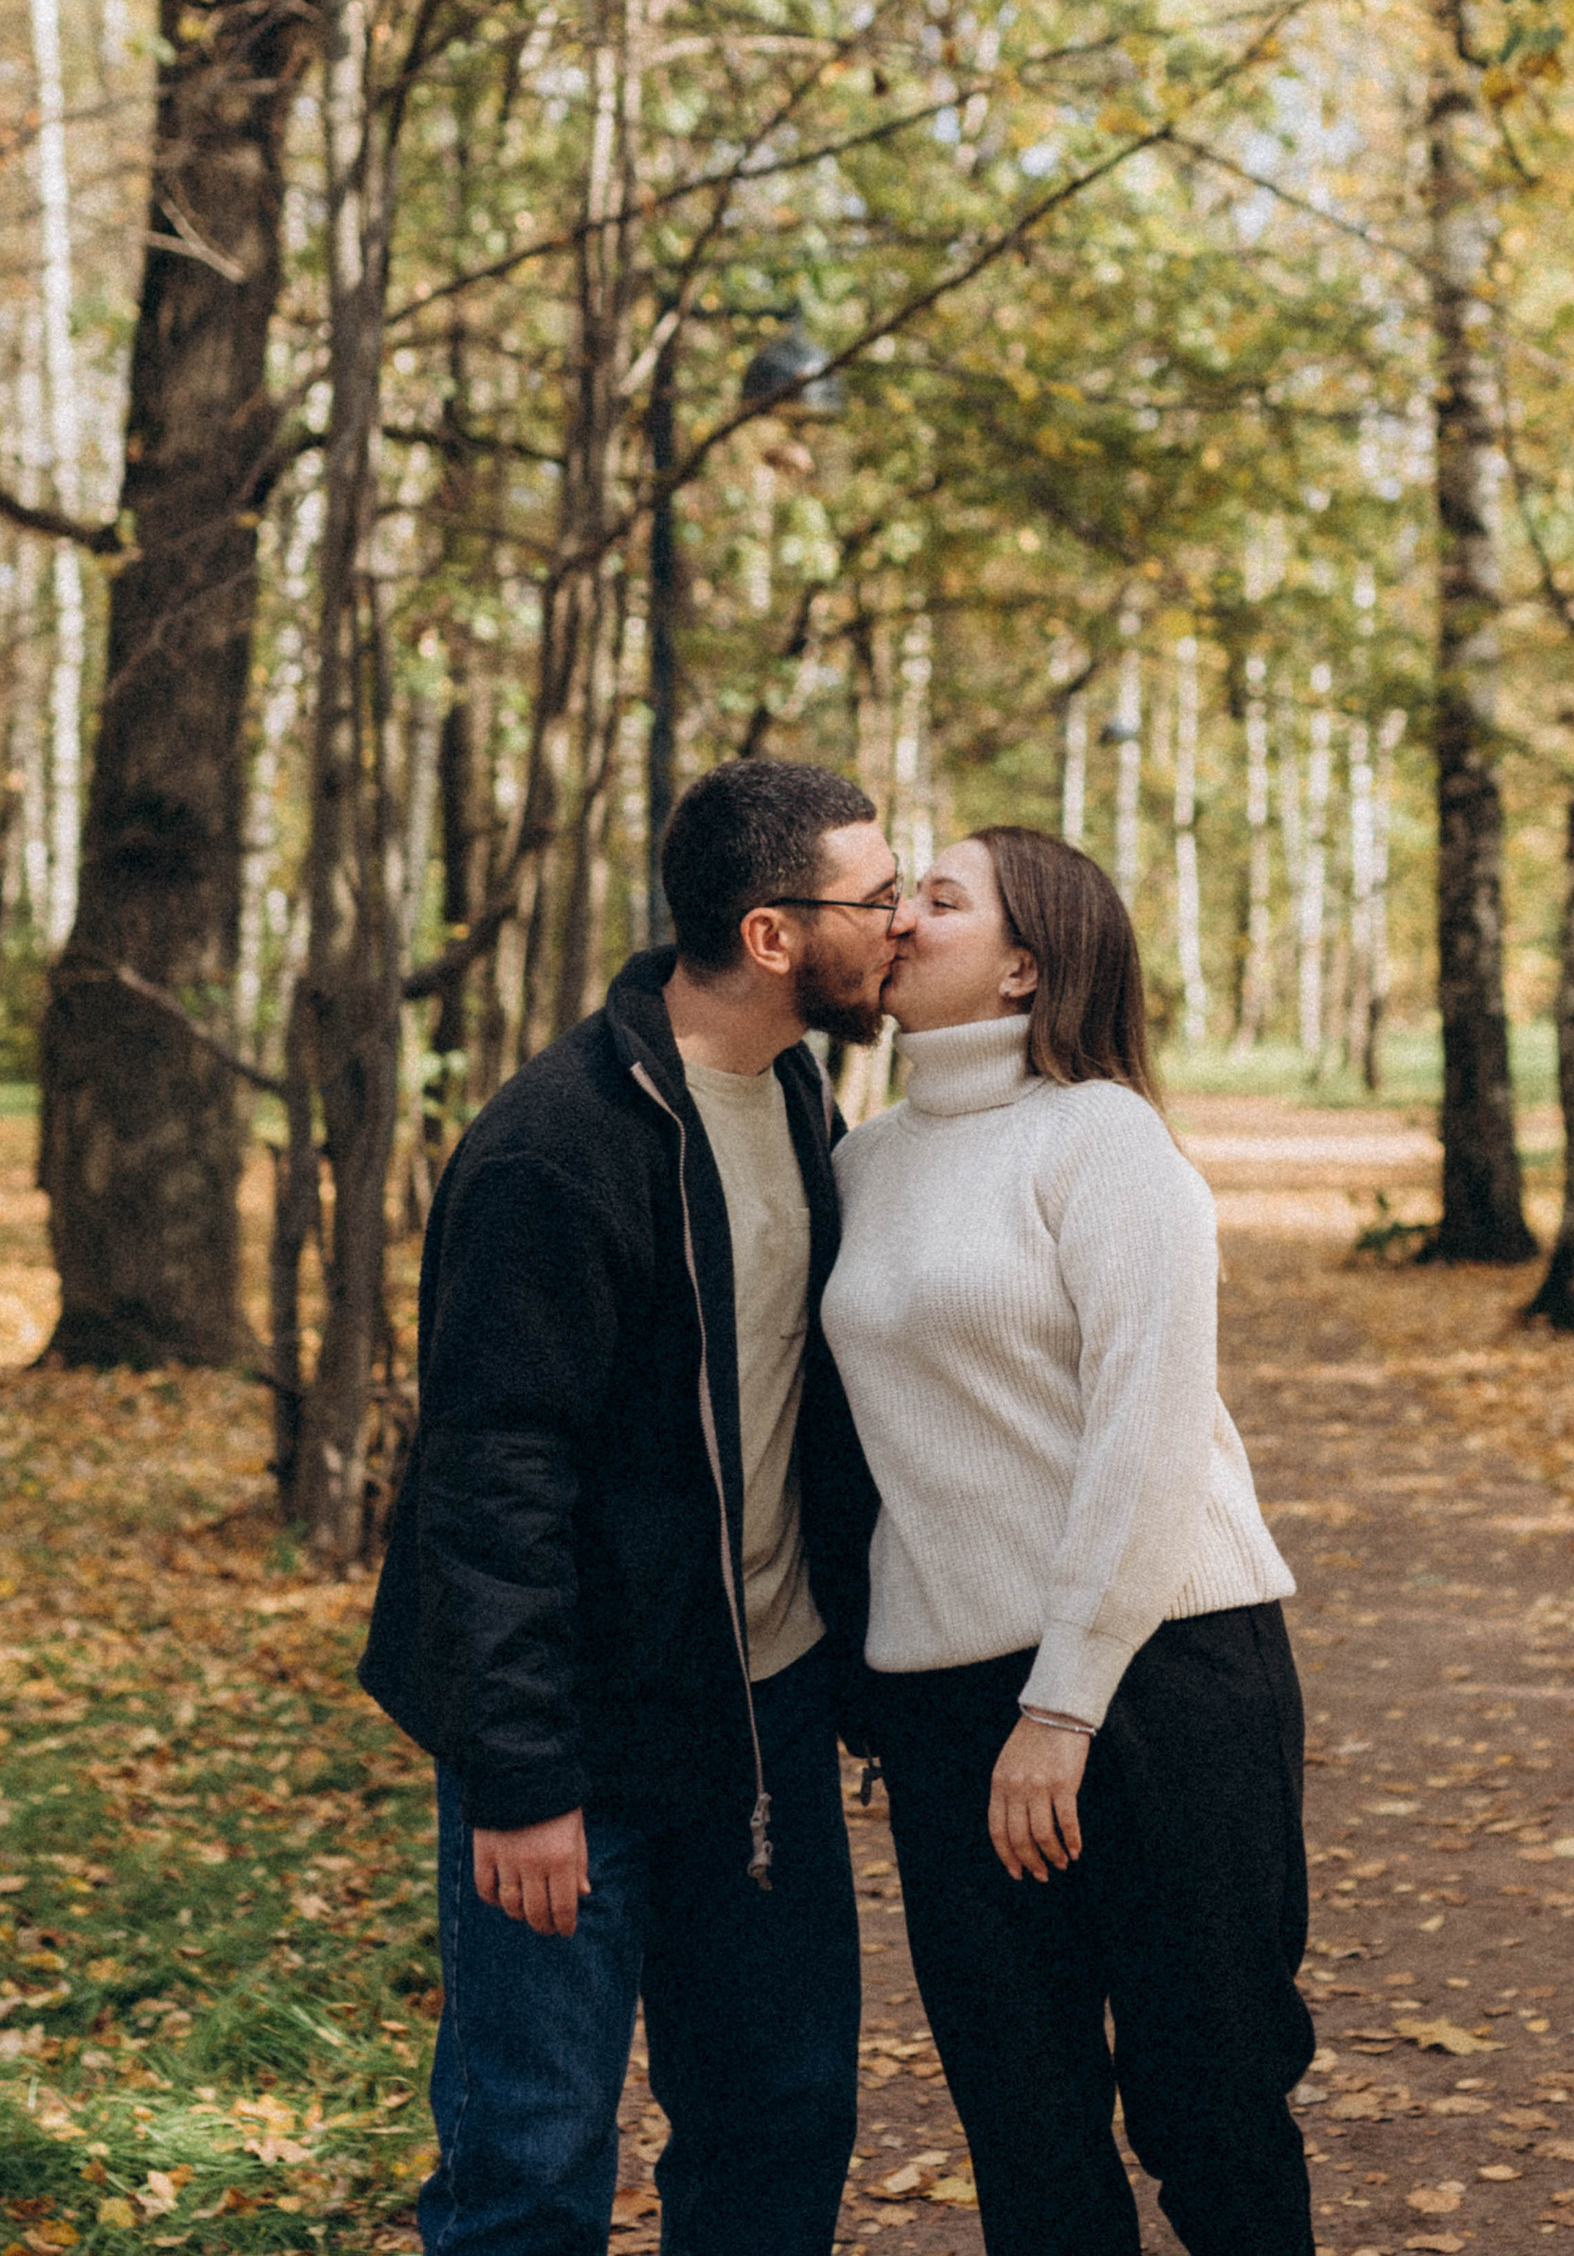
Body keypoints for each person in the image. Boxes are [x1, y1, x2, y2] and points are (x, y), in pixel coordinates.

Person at [358, 759, 898, 2256]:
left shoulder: (798, 1094)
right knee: (530, 2158)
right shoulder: (556, 1149)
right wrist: (526, 1780)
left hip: (764, 1726)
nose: (903, 921)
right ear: (776, 933)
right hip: (582, 1740)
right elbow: (490, 1478)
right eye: (878, 894)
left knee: (779, 2124)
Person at [821, 824, 1312, 2256]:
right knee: (1027, 2134)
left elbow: (1148, 1434)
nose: (899, 917)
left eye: (940, 897)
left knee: (1209, 2108)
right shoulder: (862, 1161)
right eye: (902, 890)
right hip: (948, 1706)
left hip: (1161, 1676)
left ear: (1027, 966)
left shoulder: (1106, 1140)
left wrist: (1064, 1701)